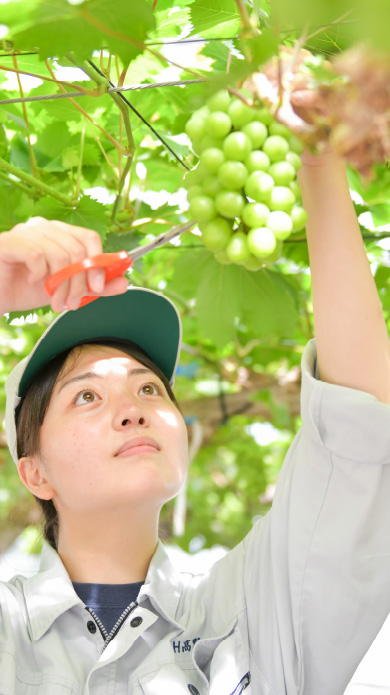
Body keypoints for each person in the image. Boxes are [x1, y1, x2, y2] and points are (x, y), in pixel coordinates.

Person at [1, 146, 390, 695]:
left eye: (149, 387)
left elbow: (357, 425)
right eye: (86, 396)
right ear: (34, 472)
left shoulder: (248, 606)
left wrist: (320, 164)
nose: (133, 408)